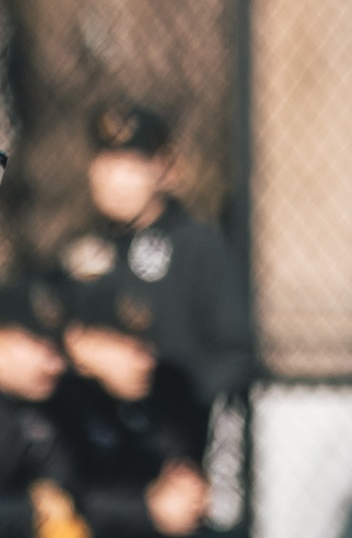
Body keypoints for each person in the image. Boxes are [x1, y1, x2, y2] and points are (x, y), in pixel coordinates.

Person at [61, 104, 251, 409]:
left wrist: (180, 424)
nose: (115, 180)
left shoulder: (199, 247)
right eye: (107, 163)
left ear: (163, 169)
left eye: (131, 165)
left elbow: (235, 354)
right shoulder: (77, 250)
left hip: (178, 434)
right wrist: (84, 352)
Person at [51, 266, 210, 538]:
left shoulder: (156, 395)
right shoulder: (53, 403)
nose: (145, 361)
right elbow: (58, 500)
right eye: (130, 346)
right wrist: (147, 509)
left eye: (148, 345)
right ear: (80, 341)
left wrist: (182, 489)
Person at [0, 272, 86, 538]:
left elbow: (65, 487)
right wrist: (31, 512)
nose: (56, 365)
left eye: (59, 351)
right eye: (44, 348)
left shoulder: (43, 405)